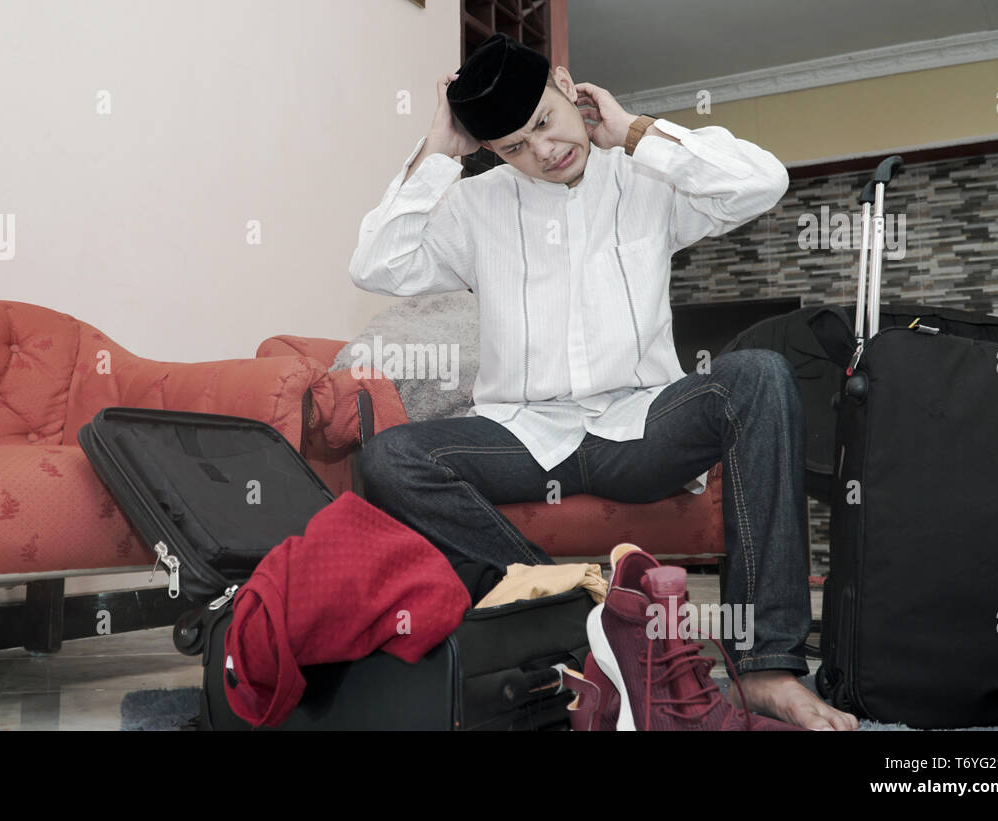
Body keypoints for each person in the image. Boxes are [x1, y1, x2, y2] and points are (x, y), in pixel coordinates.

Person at [348, 33, 857, 731]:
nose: (543, 151)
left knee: (759, 375)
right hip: (522, 436)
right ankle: (585, 623)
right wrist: (441, 148)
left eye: (544, 124)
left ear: (567, 85)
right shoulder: (475, 208)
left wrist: (634, 131)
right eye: (515, 147)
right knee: (390, 457)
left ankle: (765, 668)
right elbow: (376, 263)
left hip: (641, 429)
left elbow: (764, 181)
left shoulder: (643, 176)